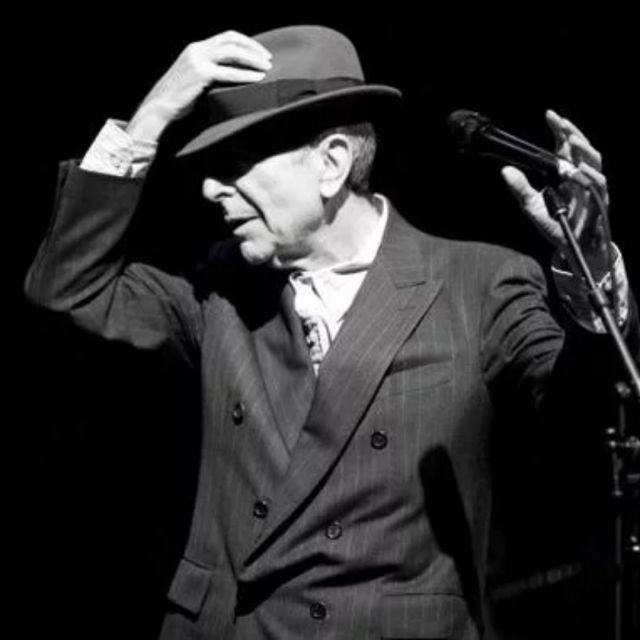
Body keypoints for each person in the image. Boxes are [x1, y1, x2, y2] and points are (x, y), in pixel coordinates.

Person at [24, 25, 636, 640]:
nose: (211, 189)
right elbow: (68, 290)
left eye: (238, 163)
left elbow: (588, 415)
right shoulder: (220, 294)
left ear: (332, 163)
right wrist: (150, 116)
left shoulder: (476, 283)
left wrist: (590, 272)